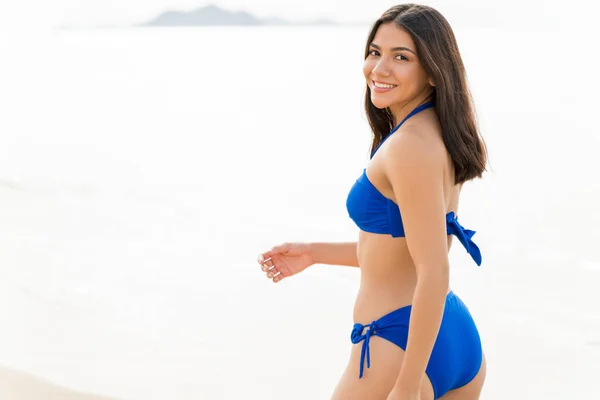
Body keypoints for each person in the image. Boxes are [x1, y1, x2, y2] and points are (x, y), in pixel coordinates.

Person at [257, 4, 488, 400]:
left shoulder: (408, 147)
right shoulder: (436, 132)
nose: (379, 69)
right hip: (452, 332)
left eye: (401, 57)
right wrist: (314, 252)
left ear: (433, 70)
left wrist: (408, 383)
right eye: (375, 52)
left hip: (397, 343)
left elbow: (435, 270)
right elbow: (404, 251)